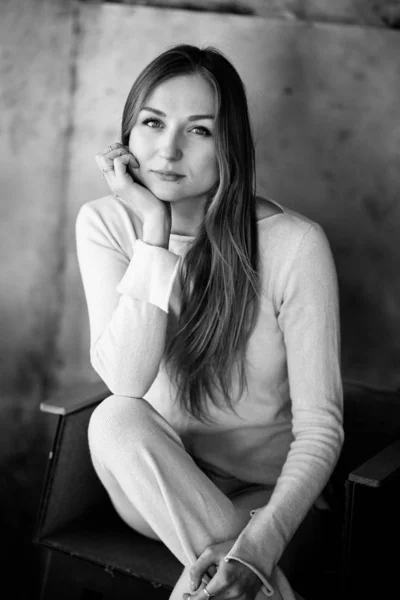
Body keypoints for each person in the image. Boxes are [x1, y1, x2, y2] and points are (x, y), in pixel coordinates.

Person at [75, 44, 343, 600]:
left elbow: (321, 429)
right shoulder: (106, 222)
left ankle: (241, 579)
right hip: (154, 492)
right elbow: (127, 382)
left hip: (265, 496)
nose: (168, 149)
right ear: (128, 134)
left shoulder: (295, 245)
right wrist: (155, 227)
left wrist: (255, 548)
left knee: (204, 587)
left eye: (199, 130)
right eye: (152, 123)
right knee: (114, 418)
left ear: (231, 146)